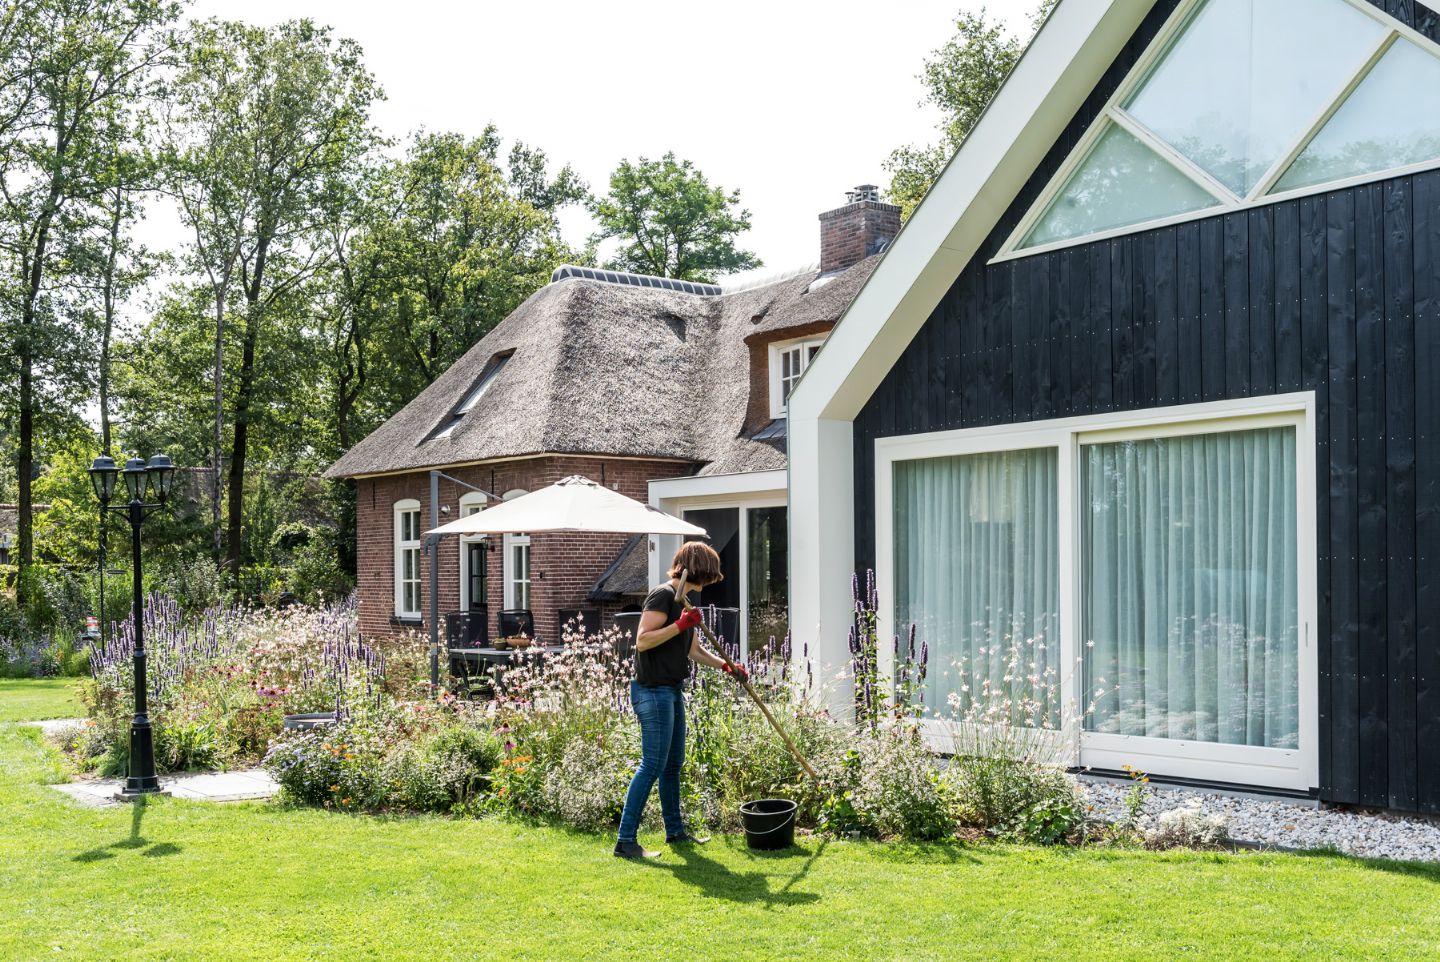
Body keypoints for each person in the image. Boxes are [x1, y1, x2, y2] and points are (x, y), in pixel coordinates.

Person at [613, 540, 748, 859]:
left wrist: (727, 666)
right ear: (699, 571)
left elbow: (693, 651)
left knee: (672, 765)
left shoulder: (683, 600)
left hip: (671, 689)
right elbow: (643, 641)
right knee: (652, 765)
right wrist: (678, 624)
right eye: (710, 575)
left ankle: (675, 832)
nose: (709, 583)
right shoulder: (663, 595)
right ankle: (625, 841)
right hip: (652, 690)